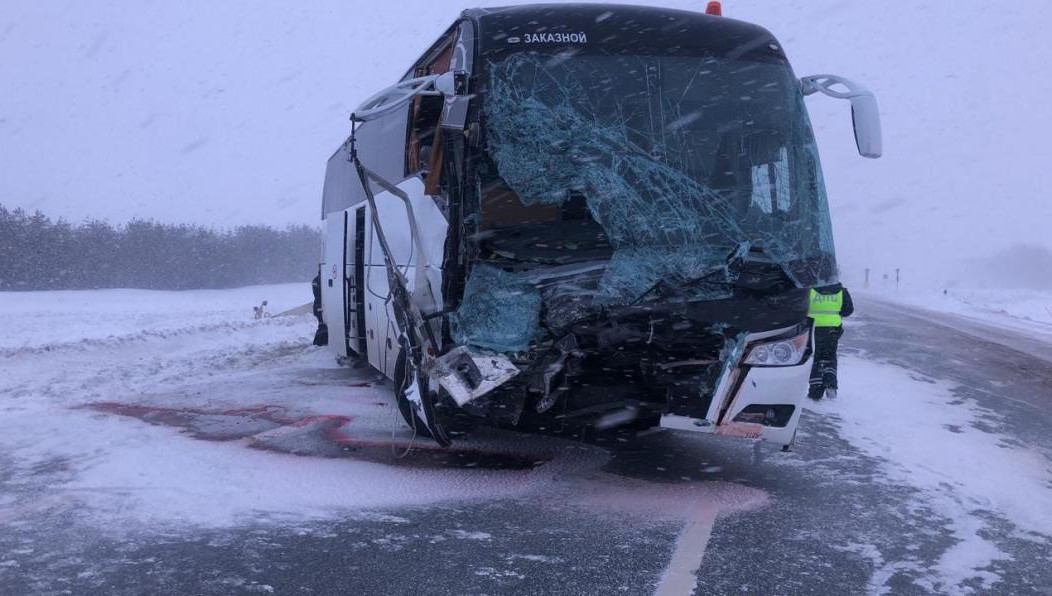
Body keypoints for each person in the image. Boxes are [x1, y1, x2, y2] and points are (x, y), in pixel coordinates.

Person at [807, 283, 854, 400]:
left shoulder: (809, 289)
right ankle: (830, 384)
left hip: (813, 328)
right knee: (830, 356)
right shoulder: (841, 290)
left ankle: (815, 390)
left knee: (816, 358)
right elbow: (848, 310)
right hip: (832, 329)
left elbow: (800, 307)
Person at [311, 272, 328, 346]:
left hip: (318, 306)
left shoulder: (317, 280)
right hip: (320, 306)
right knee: (322, 325)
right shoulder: (320, 279)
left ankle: (320, 341)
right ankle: (319, 342)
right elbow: (318, 294)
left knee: (322, 325)